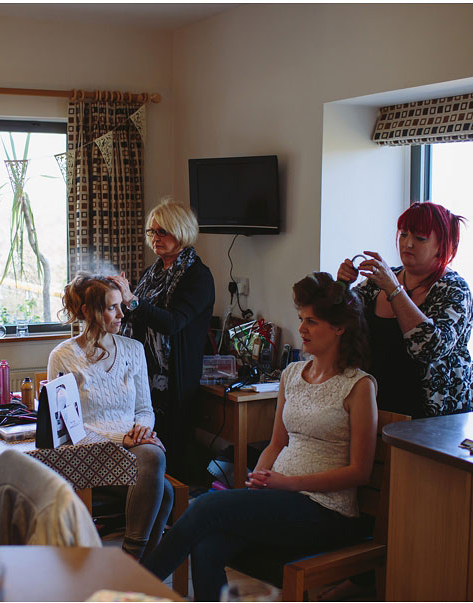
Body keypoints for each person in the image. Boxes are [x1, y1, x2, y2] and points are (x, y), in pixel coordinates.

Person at [142, 272, 377, 601]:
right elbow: (276, 443)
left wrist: (288, 484)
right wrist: (258, 480)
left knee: (207, 506)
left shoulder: (358, 385)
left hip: (327, 512)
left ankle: (131, 587)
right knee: (208, 546)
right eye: (301, 319)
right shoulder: (293, 373)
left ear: (339, 327)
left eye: (312, 321)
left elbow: (360, 471)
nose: (303, 329)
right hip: (283, 498)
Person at [47, 272, 174, 560]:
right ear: (87, 311)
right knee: (155, 459)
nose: (122, 314)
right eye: (111, 307)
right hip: (86, 452)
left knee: (164, 487)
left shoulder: (134, 350)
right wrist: (122, 439)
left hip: (131, 448)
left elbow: (144, 409)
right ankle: (132, 563)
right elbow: (67, 427)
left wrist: (142, 431)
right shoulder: (62, 356)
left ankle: (138, 569)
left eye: (121, 306)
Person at [337, 202, 473, 419]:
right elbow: (339, 326)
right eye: (403, 234)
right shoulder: (379, 280)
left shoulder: (454, 289)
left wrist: (394, 290)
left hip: (428, 421)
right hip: (372, 409)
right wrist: (343, 286)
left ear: (441, 245)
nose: (408, 244)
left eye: (420, 238)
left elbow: (429, 348)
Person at [112, 198, 214, 480]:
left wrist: (131, 300)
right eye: (152, 232)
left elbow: (172, 323)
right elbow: (137, 317)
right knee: (142, 446)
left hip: (173, 380)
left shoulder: (197, 277)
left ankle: (171, 513)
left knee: (170, 453)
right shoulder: (151, 273)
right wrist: (117, 300)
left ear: (180, 232)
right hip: (140, 373)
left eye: (162, 232)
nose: (155, 239)